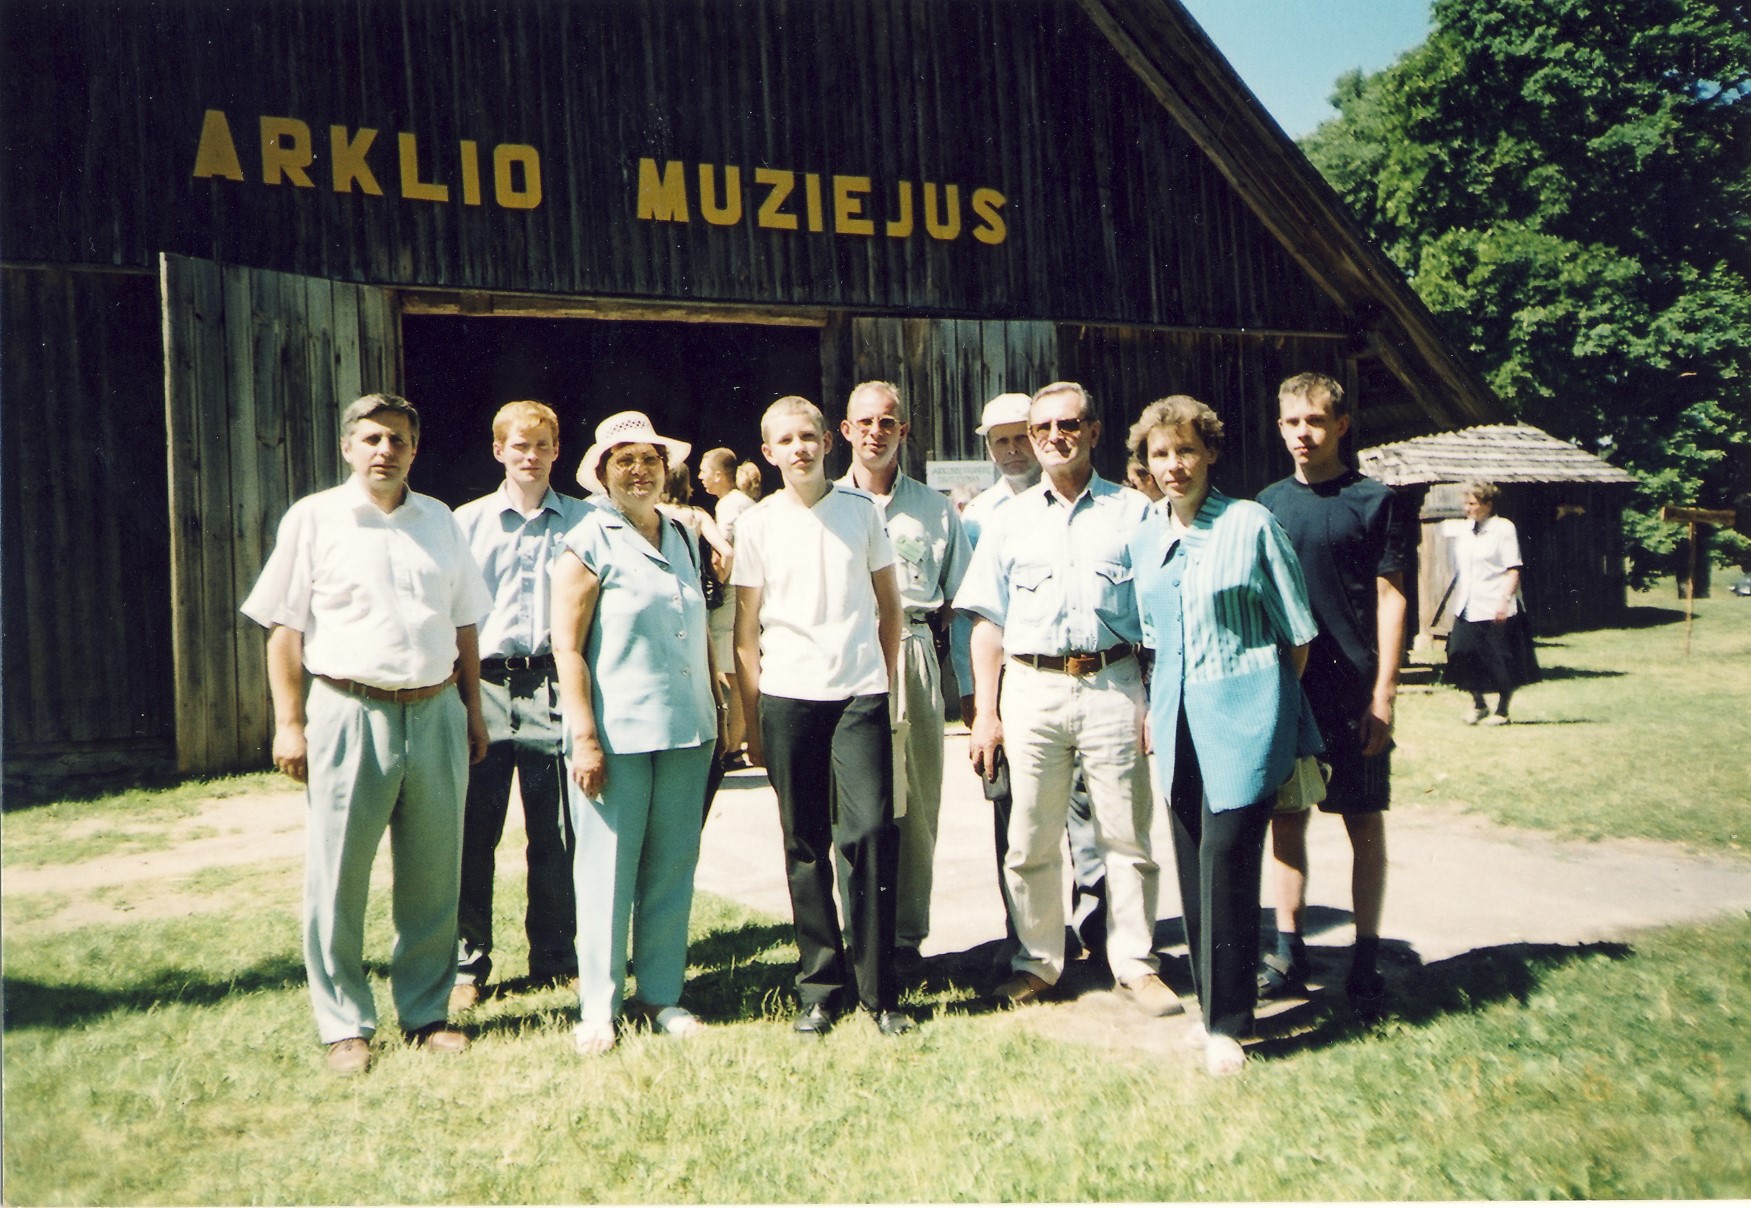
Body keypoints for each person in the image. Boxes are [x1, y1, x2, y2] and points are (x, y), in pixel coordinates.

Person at [241, 392, 493, 1077]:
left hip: (436, 707)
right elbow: (283, 629)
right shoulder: (315, 518)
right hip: (348, 710)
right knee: (338, 875)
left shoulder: (438, 520)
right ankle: (343, 1022)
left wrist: (471, 711)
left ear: (415, 449)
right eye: (374, 438)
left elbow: (464, 623)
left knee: (435, 875)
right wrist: (288, 723)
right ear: (349, 447)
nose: (386, 450)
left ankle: (426, 1012)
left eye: (400, 440)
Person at [955, 382, 1176, 1017]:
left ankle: (1135, 963)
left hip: (1114, 684)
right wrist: (987, 714)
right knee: (1030, 838)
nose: (1056, 436)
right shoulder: (1008, 521)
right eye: (1043, 427)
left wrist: (1156, 702)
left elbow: (1159, 617)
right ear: (1030, 438)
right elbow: (987, 624)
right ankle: (1038, 964)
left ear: (1094, 430)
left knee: (1125, 835)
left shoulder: (1136, 514)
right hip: (1033, 690)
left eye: (1069, 424)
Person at [1126, 395, 1319, 1076]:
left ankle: (1232, 1025)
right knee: (1190, 860)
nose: (1173, 465)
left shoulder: (1250, 524)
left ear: (1209, 452)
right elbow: (1151, 636)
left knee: (1228, 860)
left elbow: (1296, 633)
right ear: (1145, 464)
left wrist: (1267, 709)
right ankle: (1212, 1009)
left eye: (1184, 450)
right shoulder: (1146, 534)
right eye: (1159, 453)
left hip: (1245, 714)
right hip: (1175, 718)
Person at [731, 395, 914, 1037]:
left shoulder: (861, 512)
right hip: (787, 697)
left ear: (826, 443)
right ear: (769, 452)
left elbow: (890, 607)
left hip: (858, 695)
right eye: (787, 440)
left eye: (809, 436)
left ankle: (880, 991)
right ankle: (820, 986)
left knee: (866, 835)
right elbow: (746, 631)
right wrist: (752, 719)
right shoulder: (755, 524)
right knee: (804, 840)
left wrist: (881, 682)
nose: (801, 448)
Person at [552, 412, 724, 1056]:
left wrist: (719, 707)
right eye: (623, 460)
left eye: (650, 459)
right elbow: (567, 649)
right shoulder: (586, 539)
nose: (639, 470)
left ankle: (660, 994)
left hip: (686, 728)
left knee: (672, 867)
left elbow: (700, 628)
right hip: (616, 735)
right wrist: (584, 737)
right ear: (601, 472)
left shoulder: (679, 534)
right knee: (606, 870)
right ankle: (598, 1006)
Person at [1259, 372, 1414, 1015]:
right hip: (1292, 692)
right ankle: (1288, 952)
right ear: (1281, 427)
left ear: (1340, 426)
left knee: (1362, 824)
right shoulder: (1266, 505)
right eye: (1293, 422)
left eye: (1316, 421)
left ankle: (1366, 955)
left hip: (1354, 691)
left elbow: (1392, 595)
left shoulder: (1374, 501)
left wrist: (1384, 693)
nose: (1304, 433)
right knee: (1287, 821)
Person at [949, 391, 1110, 977]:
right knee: (1014, 813)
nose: (1015, 449)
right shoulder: (978, 517)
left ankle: (1097, 924)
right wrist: (977, 702)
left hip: (1086, 682)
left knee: (1089, 810)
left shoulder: (1102, 504)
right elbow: (976, 618)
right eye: (1001, 441)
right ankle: (1027, 933)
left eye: (1022, 435)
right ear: (988, 448)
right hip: (1015, 687)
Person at [449, 401, 591, 1013]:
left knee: (555, 830)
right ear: (498, 450)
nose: (530, 456)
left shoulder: (585, 523)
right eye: (518, 446)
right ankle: (465, 962)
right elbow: (450, 615)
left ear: (557, 451)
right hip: (482, 683)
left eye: (541, 445)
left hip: (552, 682)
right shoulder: (466, 523)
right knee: (471, 831)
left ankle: (557, 956)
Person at [836, 380, 972, 973]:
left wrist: (968, 689)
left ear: (903, 431)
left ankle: (905, 939)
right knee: (850, 804)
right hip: (844, 650)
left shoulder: (935, 509)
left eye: (887, 422)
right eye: (864, 422)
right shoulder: (824, 501)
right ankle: (855, 936)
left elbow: (965, 606)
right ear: (845, 431)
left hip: (913, 648)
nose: (875, 432)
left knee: (914, 802)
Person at [1447, 479, 1538, 725]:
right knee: (1460, 652)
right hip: (1467, 604)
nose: (1467, 508)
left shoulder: (1503, 528)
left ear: (1488, 504)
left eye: (1472, 503)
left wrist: (1504, 600)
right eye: (1465, 503)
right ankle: (1479, 705)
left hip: (1496, 603)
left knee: (1499, 658)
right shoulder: (1465, 530)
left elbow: (1513, 568)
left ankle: (1502, 710)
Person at [699, 447, 757, 767]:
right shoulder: (745, 503)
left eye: (704, 470)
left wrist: (715, 583)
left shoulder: (728, 505)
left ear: (719, 474)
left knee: (731, 672)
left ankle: (732, 747)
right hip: (749, 590)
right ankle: (737, 742)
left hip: (733, 592)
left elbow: (726, 552)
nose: (700, 476)